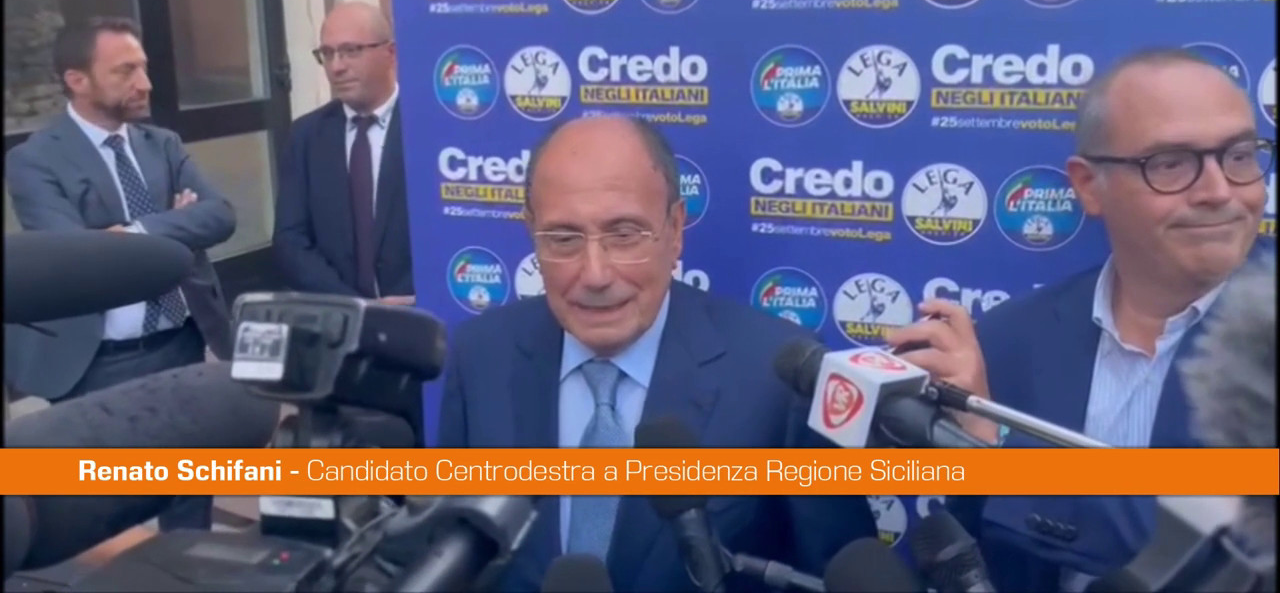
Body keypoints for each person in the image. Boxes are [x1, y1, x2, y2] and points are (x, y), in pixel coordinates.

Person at [883, 48, 1276, 591]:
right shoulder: (1007, 341)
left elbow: (1226, 540)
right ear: (1089, 186)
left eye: (1239, 155)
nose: (1218, 191)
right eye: (1171, 164)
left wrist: (996, 450)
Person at [436, 116, 877, 592]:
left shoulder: (778, 381)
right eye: (563, 238)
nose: (595, 274)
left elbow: (837, 580)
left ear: (675, 229)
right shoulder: (480, 355)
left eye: (624, 234)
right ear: (531, 232)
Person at [5, 16, 236, 531]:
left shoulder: (163, 144)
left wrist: (132, 231)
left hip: (181, 342)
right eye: (125, 71)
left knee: (187, 498)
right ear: (77, 80)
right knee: (105, 509)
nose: (145, 83)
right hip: (97, 362)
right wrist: (176, 225)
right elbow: (76, 256)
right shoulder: (33, 160)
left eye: (144, 68)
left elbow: (220, 216)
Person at [272, 1, 414, 304]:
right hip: (339, 318)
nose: (336, 66)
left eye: (351, 51)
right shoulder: (306, 136)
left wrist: (419, 298)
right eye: (327, 53)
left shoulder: (429, 130)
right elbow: (290, 241)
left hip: (421, 313)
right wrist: (356, 307)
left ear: (390, 53)